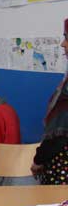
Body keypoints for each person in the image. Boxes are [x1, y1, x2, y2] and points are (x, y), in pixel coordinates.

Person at [33, 19, 68, 185]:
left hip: (62, 168)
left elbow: (59, 135)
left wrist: (38, 160)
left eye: (67, 38)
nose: (63, 44)